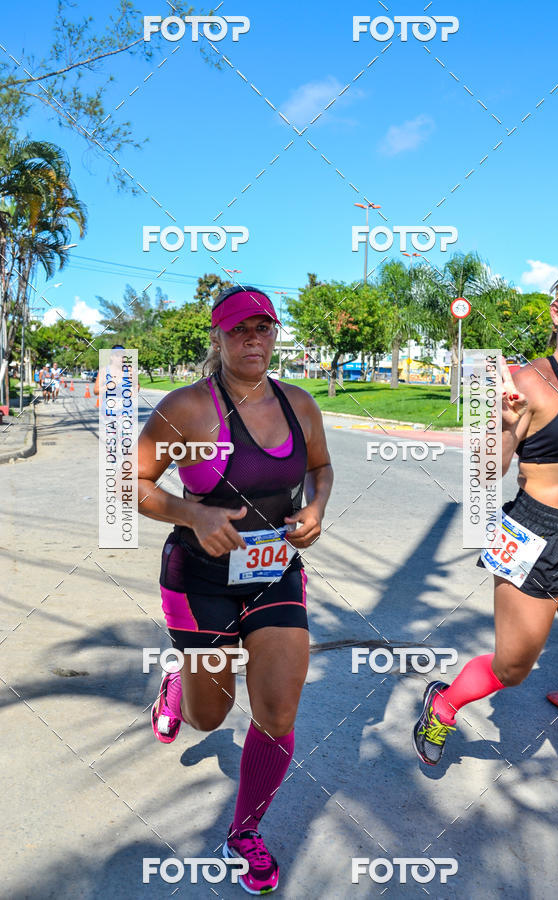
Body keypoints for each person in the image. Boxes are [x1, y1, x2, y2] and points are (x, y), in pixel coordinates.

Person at [137, 285, 333, 894]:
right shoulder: (189, 408)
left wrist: (316, 507)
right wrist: (192, 515)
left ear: (275, 335)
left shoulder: (299, 403)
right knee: (208, 716)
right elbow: (130, 482)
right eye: (239, 329)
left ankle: (244, 832)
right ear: (218, 338)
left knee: (278, 708)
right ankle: (179, 685)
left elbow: (320, 468)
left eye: (263, 328)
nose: (253, 339)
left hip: (275, 570)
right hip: (198, 579)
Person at [413, 264, 558, 887]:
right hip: (534, 535)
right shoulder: (527, 382)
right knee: (514, 666)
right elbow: (484, 474)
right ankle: (443, 701)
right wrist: (504, 423)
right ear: (557, 312)